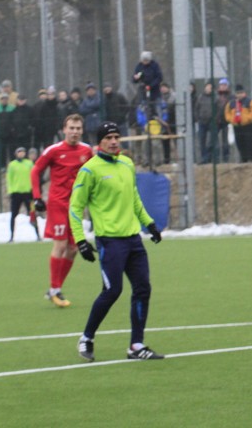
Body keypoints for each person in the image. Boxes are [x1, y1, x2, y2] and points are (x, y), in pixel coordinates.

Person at [70, 121, 164, 362]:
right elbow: (75, 207)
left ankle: (136, 345)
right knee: (112, 291)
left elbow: (134, 198)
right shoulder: (89, 170)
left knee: (143, 289)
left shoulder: (127, 164)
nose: (113, 141)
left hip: (133, 240)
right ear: (99, 142)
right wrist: (81, 240)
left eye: (116, 137)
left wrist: (149, 223)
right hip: (110, 242)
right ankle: (86, 338)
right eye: (108, 137)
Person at [31, 113, 92, 307]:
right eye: (71, 128)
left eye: (78, 129)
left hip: (76, 205)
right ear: (64, 130)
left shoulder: (87, 151)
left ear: (82, 130)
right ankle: (55, 289)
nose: (74, 132)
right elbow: (35, 170)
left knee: (74, 249)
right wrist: (37, 196)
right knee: (61, 244)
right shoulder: (53, 150)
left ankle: (54, 289)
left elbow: (92, 174)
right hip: (58, 203)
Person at [7, 146, 35, 242]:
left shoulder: (29, 163)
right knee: (13, 215)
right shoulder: (12, 165)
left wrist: (33, 189)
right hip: (16, 193)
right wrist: (10, 191)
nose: (21, 154)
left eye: (23, 152)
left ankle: (38, 234)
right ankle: (11, 236)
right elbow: (9, 179)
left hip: (28, 193)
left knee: (32, 213)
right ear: (16, 154)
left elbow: (33, 176)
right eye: (19, 152)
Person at [225, 84, 252, 162]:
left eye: (241, 93)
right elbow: (227, 113)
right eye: (238, 93)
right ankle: (243, 157)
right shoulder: (231, 103)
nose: (239, 95)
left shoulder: (250, 101)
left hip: (247, 125)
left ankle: (251, 157)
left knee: (249, 141)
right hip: (236, 125)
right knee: (239, 142)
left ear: (244, 93)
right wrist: (231, 119)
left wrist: (248, 118)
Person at [195, 82, 216, 163]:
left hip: (212, 121)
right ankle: (204, 158)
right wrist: (198, 118)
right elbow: (196, 108)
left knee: (211, 141)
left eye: (209, 88)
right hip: (202, 122)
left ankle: (210, 157)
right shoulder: (200, 97)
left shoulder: (215, 97)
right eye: (206, 87)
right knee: (202, 141)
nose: (207, 89)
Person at [0, 92, 15, 164]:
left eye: (6, 99)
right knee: (2, 150)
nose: (4, 100)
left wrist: (12, 127)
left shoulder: (12, 108)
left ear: (8, 99)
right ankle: (2, 166)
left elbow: (15, 119)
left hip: (10, 132)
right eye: (3, 99)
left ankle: (12, 163)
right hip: (0, 132)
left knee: (11, 149)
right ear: (0, 100)